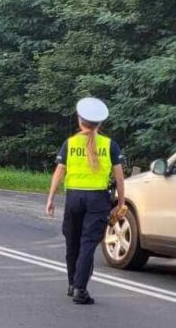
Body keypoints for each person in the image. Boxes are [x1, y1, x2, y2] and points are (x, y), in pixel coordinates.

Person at [45, 98, 126, 305]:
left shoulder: (70, 143)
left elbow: (59, 172)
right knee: (88, 244)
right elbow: (119, 177)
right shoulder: (110, 145)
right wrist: (121, 201)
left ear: (80, 120)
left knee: (72, 241)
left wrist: (51, 198)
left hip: (74, 198)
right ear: (99, 123)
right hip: (98, 199)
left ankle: (72, 284)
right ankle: (81, 289)